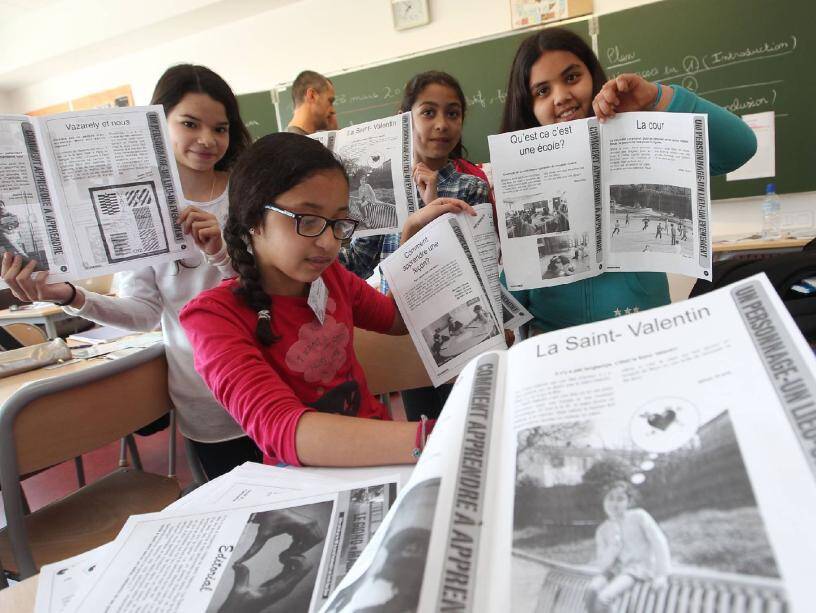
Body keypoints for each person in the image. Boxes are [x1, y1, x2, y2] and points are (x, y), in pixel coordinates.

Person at [1, 64, 259, 480]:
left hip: (275, 375)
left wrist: (223, 255)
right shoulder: (139, 204)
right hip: (206, 395)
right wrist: (67, 294)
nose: (207, 140)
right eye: (190, 124)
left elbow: (273, 289)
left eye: (221, 127)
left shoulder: (249, 190)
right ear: (158, 124)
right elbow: (142, 313)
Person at [179, 133, 472, 467]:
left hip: (384, 458)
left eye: (337, 223)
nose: (328, 243)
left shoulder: (329, 277)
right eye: (308, 220)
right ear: (253, 219)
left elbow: (396, 320)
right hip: (313, 484)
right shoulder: (212, 318)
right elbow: (285, 430)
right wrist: (438, 437)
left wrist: (412, 239)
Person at [500, 27, 756, 333]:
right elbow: (516, 281)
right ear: (528, 106)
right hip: (557, 344)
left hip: (641, 330)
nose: (561, 97)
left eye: (571, 78)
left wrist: (658, 99)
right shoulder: (521, 169)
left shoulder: (639, 137)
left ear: (593, 76)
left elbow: (741, 148)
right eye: (542, 91)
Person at [339, 71, 493, 421]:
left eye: (452, 113)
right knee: (422, 428)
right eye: (428, 112)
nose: (441, 124)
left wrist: (431, 204)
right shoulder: (382, 189)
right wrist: (334, 221)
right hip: (399, 331)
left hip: (459, 327)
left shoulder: (471, 187)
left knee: (467, 423)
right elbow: (356, 264)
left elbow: (474, 266)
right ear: (404, 120)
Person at [585, 480, 671, 613]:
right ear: (604, 502)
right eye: (610, 499)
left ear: (628, 502)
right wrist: (613, 547)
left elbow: (659, 541)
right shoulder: (603, 529)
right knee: (591, 590)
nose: (614, 504)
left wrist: (662, 575)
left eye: (620, 499)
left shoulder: (639, 517)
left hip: (637, 569)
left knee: (604, 598)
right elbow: (602, 565)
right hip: (614, 571)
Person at [287, 70, 338, 135]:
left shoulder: (293, 140)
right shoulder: (296, 143)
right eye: (330, 101)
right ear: (312, 96)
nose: (333, 111)